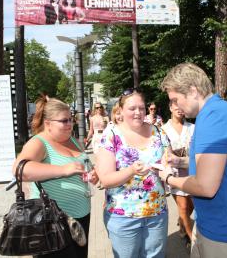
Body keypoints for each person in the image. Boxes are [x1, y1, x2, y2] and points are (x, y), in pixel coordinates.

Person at [160, 62, 227, 258]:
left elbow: (206, 186)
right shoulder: (215, 112)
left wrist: (167, 178)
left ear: (192, 91)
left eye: (175, 99)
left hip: (226, 232)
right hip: (216, 225)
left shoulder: (213, 117)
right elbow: (215, 164)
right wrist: (178, 162)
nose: (176, 106)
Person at [12, 95, 98, 258]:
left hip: (80, 217)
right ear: (48, 123)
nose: (69, 124)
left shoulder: (71, 139)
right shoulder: (39, 142)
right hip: (52, 222)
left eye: (70, 119)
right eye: (64, 121)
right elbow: (19, 169)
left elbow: (84, 165)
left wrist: (93, 174)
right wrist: (63, 170)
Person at [95, 88, 170, 258]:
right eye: (132, 108)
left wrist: (169, 166)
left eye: (142, 108)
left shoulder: (158, 132)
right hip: (123, 216)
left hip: (157, 213)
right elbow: (105, 179)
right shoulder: (111, 134)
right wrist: (131, 170)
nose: (138, 112)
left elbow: (168, 160)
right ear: (120, 110)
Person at [161, 100, 194, 248]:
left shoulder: (193, 127)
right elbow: (163, 151)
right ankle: (189, 238)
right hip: (174, 173)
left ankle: (182, 223)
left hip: (192, 170)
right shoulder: (163, 129)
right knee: (183, 207)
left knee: (191, 206)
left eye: (182, 106)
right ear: (170, 107)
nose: (179, 109)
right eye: (176, 106)